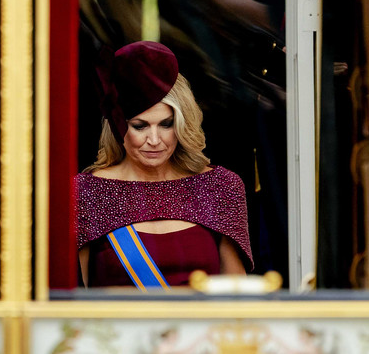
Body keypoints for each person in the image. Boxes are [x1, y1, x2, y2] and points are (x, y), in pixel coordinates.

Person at [75, 40, 253, 288]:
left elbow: (236, 295)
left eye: (166, 124)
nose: (154, 140)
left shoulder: (219, 186)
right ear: (117, 125)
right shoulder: (87, 192)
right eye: (140, 126)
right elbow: (72, 298)